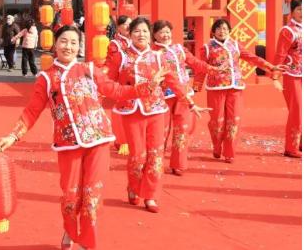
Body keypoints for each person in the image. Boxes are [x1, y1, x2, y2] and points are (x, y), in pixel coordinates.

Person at [0, 25, 167, 250]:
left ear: (79, 47)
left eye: (74, 42)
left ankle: (87, 241)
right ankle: (69, 229)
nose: (68, 46)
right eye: (64, 41)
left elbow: (116, 90)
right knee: (70, 194)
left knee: (92, 193)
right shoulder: (46, 78)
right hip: (68, 144)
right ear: (55, 44)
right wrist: (14, 135)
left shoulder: (89, 69)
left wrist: (147, 86)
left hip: (98, 139)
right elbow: (32, 111)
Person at [107, 17, 209, 213]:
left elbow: (173, 82)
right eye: (137, 31)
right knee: (137, 155)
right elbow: (109, 83)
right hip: (131, 110)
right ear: (130, 34)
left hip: (155, 110)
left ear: (150, 35)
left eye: (145, 31)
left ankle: (151, 196)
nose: (141, 34)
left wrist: (190, 103)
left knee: (156, 154)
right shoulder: (121, 57)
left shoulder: (158, 57)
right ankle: (134, 188)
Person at [195, 19, 280, 163]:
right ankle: (217, 146)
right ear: (213, 31)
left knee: (234, 120)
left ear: (229, 31)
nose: (222, 31)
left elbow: (252, 58)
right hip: (216, 88)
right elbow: (201, 68)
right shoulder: (207, 48)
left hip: (235, 88)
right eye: (219, 28)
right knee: (217, 121)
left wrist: (270, 67)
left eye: (225, 28)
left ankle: (230, 152)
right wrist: (196, 88)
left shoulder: (234, 45)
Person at [152, 20, 212, 176]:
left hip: (184, 96)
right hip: (162, 97)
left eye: (167, 31)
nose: (165, 35)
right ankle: (156, 163)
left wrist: (212, 69)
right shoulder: (151, 53)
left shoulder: (179, 49)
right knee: (161, 132)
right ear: (154, 35)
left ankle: (178, 164)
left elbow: (195, 63)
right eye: (161, 32)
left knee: (183, 130)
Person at [274, 0, 302, 158]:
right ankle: (291, 147)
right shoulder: (288, 31)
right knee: (297, 110)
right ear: (292, 11)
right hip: (292, 75)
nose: (302, 12)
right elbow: (280, 54)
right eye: (299, 9)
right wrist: (275, 77)